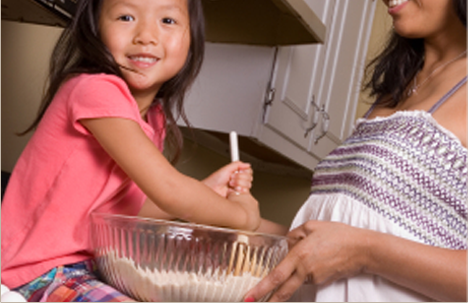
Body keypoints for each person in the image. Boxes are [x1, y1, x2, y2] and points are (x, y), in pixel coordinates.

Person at [1, 0, 269, 301]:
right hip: (38, 272)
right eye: (126, 16)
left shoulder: (152, 119)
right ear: (95, 28)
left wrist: (207, 190)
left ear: (191, 36)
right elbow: (169, 190)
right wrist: (243, 217)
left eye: (167, 21)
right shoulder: (94, 90)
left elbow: (129, 210)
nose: (146, 35)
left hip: (89, 268)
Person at [244, 0, 467, 301]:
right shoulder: (397, 88)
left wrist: (365, 252)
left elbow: (357, 248)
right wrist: (247, 226)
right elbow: (340, 243)